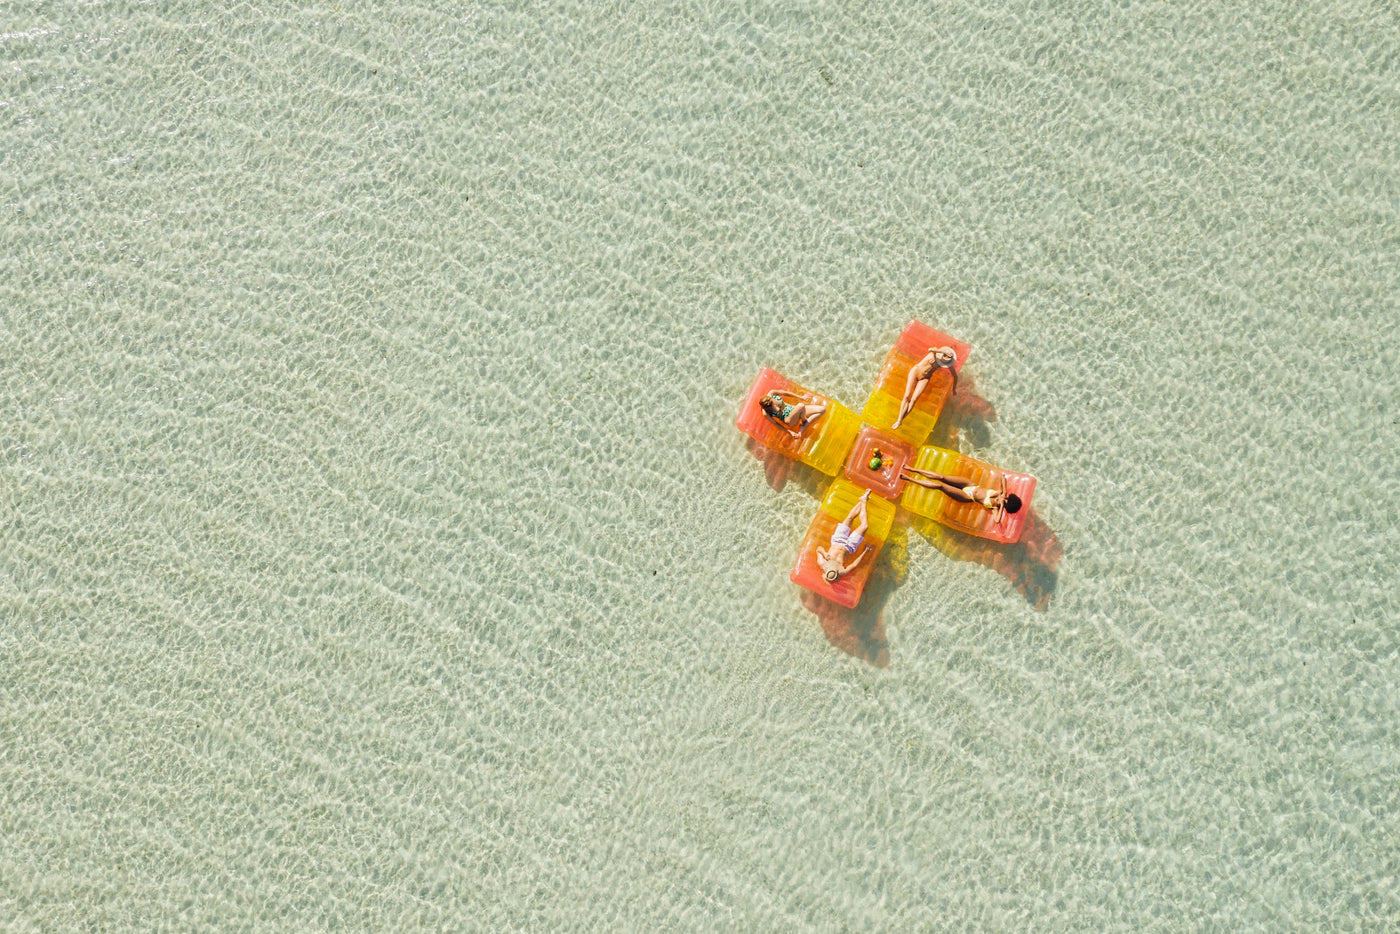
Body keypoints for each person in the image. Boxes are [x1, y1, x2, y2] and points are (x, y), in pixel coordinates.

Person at [900, 466, 1021, 524]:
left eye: (1004, 501)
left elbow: (997, 521)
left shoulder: (995, 508)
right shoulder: (1000, 493)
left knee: (940, 486)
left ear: (1005, 507)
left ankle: (909, 479)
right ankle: (912, 469)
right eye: (1006, 498)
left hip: (967, 497)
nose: (1002, 499)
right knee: (942, 477)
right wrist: (1004, 492)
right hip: (971, 485)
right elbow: (1002, 477)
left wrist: (1000, 507)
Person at [891, 346, 957, 430]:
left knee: (914, 400)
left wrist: (954, 388)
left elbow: (955, 376)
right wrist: (940, 351)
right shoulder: (934, 352)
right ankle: (899, 419)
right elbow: (930, 349)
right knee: (907, 396)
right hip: (916, 371)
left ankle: (899, 420)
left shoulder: (946, 363)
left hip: (925, 378)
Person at [817, 490, 872, 582]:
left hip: (838, 540)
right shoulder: (841, 572)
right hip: (850, 546)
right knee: (865, 526)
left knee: (850, 518)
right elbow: (854, 565)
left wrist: (824, 553)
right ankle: (864, 501)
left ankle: (863, 500)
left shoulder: (822, 563)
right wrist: (865, 551)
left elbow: (818, 549)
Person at [759, 389, 827, 438]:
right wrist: (789, 432)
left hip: (795, 409)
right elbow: (776, 423)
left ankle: (804, 425)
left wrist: (801, 397)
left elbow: (786, 393)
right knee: (801, 405)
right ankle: (804, 421)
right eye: (771, 407)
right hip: (789, 419)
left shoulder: (772, 393)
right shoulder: (765, 412)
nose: (774, 406)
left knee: (822, 410)